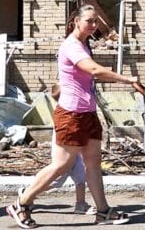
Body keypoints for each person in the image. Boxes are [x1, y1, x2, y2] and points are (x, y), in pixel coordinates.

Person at [6, 4, 145, 228]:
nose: (93, 25)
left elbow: (88, 76)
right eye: (89, 21)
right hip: (71, 114)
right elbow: (93, 70)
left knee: (93, 164)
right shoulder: (71, 46)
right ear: (76, 22)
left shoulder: (84, 45)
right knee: (61, 165)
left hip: (88, 113)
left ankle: (103, 211)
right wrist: (127, 79)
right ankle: (21, 204)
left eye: (96, 21)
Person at [46, 84, 95, 215]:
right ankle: (28, 193)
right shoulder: (65, 112)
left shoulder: (73, 109)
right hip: (65, 153)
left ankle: (81, 205)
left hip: (74, 151)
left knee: (81, 177)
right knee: (56, 182)